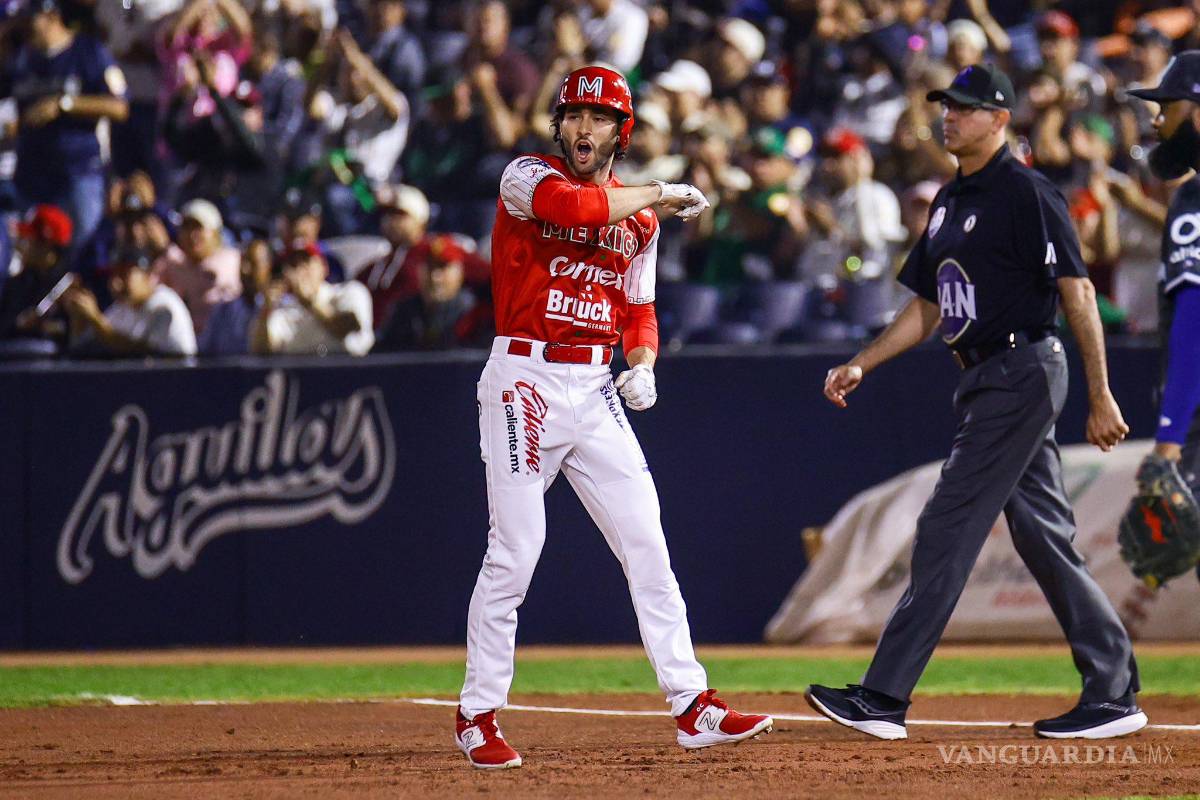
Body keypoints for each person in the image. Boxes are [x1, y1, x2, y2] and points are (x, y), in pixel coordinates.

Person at [806, 64, 1145, 741]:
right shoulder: (949, 202)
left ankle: (883, 697)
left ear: (999, 118)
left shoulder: (1026, 193)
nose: (948, 116)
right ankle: (1112, 692)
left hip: (1022, 369)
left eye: (962, 107)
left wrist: (1101, 392)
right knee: (1044, 538)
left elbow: (1077, 293)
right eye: (945, 106)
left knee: (946, 525)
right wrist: (860, 364)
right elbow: (926, 308)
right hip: (985, 376)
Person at [454, 65, 772, 771]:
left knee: (647, 544)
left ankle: (693, 706)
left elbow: (639, 308)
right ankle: (477, 713)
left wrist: (646, 362)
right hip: (524, 378)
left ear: (620, 131)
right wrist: (659, 188)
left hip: (594, 386)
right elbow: (571, 212)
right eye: (574, 115)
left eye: (599, 118)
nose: (583, 128)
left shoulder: (642, 222)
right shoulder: (526, 176)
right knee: (517, 549)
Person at [1125, 51, 1200, 579]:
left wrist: (1170, 439)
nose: (1156, 121)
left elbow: (1195, 322)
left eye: (1167, 107)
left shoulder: (1194, 203)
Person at [5, 0, 129, 250]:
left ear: (51, 16)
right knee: (29, 253)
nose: (25, 28)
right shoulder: (21, 59)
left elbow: (119, 107)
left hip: (78, 172)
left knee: (81, 253)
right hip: (32, 175)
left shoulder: (88, 51)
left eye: (30, 20)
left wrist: (65, 104)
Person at [64, 247, 196, 357]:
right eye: (113, 275)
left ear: (148, 274)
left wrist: (96, 319)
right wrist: (79, 318)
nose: (116, 283)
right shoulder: (122, 306)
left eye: (124, 274)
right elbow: (83, 348)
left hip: (178, 383)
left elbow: (147, 356)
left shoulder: (164, 305)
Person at [250, 242, 373, 356]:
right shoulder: (283, 310)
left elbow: (348, 328)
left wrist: (311, 302)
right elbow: (261, 351)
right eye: (293, 265)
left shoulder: (349, 291)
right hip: (302, 375)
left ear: (323, 267)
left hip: (351, 372)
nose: (300, 270)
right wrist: (266, 310)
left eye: (305, 262)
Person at [157, 199, 241, 336]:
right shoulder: (171, 262)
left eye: (198, 228)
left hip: (226, 344)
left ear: (215, 234)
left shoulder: (234, 261)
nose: (192, 235)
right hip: (183, 345)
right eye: (186, 227)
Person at [0, 204, 73, 355]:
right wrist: (17, 324)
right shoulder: (17, 283)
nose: (21, 244)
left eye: (28, 239)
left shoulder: (69, 284)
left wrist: (45, 326)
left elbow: (73, 334)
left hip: (54, 366)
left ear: (46, 245)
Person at [198, 238, 272, 356]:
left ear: (268, 267)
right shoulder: (223, 311)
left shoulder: (280, 309)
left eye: (253, 264)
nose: (245, 270)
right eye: (243, 262)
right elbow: (204, 354)